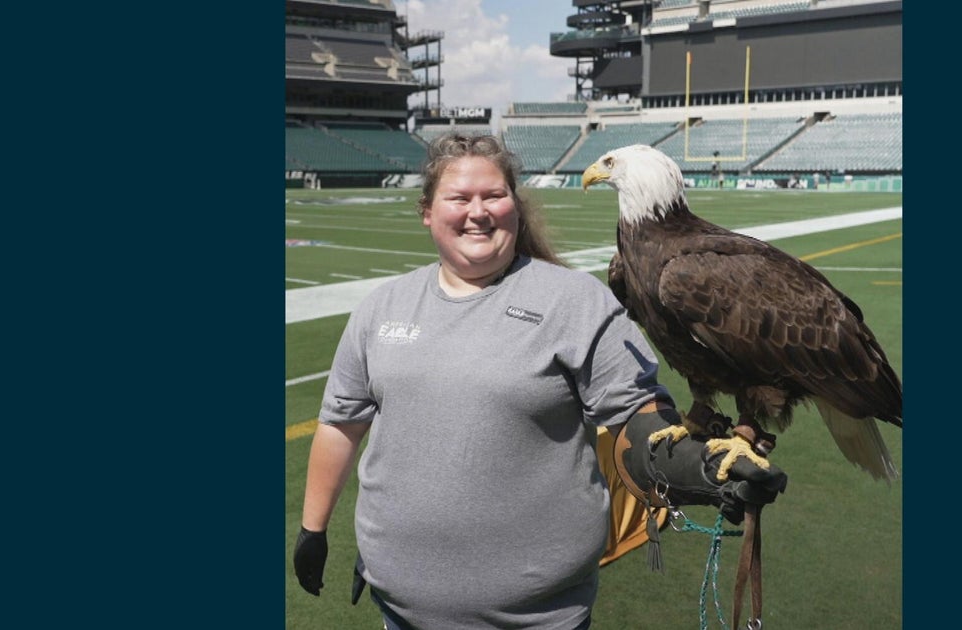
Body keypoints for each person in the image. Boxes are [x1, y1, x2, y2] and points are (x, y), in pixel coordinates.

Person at [292, 133, 787, 630]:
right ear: (427, 211)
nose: (478, 212)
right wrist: (313, 529)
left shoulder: (575, 301)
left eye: (494, 196)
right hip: (399, 611)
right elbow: (341, 424)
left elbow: (634, 416)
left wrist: (688, 465)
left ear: (516, 206)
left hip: (539, 619)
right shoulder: (383, 307)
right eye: (459, 198)